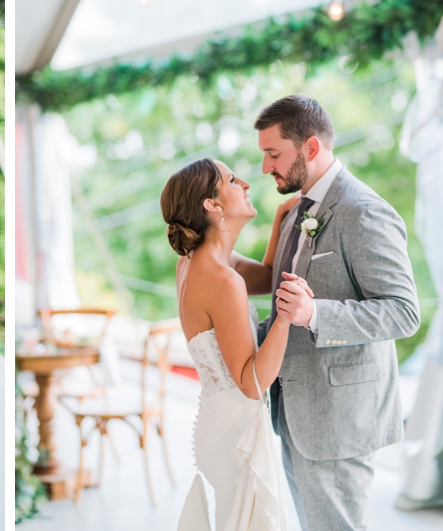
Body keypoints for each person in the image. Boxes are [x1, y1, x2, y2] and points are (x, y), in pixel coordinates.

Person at [231, 95, 420, 531]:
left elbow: (403, 312)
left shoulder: (364, 210)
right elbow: (276, 289)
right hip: (296, 410)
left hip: (339, 418)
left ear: (311, 148)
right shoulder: (297, 209)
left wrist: (316, 313)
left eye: (273, 154)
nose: (265, 167)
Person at [163, 156, 297, 530]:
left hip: (218, 427)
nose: (247, 185)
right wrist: (286, 316)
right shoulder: (222, 278)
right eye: (234, 180)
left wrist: (280, 219)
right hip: (237, 439)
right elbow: (252, 383)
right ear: (212, 204)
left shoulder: (195, 262)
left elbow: (267, 276)